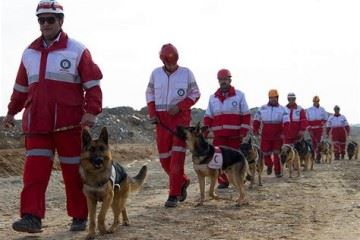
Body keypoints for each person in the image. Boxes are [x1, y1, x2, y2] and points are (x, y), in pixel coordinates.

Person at [2, 0, 103, 233]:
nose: (45, 24)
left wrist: (91, 111)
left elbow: (93, 85)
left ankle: (79, 216)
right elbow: (21, 87)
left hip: (69, 125)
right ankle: (31, 217)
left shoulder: (77, 50)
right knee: (33, 173)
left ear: (60, 21)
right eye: (41, 20)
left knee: (73, 174)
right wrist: (11, 111)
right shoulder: (29, 53)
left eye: (50, 20)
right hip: (37, 124)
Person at [145, 43, 200, 207]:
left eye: (173, 61)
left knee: (177, 159)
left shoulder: (187, 73)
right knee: (164, 160)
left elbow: (196, 93)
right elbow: (149, 93)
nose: (171, 65)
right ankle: (182, 181)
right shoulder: (155, 74)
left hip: (180, 121)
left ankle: (173, 195)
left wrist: (180, 106)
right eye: (168, 62)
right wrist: (152, 113)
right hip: (161, 121)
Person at [203, 68, 250, 189]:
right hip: (219, 136)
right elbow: (208, 116)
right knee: (217, 159)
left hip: (234, 135)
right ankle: (223, 182)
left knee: (234, 159)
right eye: (220, 80)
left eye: (225, 79)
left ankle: (239, 179)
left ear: (230, 80)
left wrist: (243, 131)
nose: (223, 82)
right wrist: (205, 130)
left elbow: (246, 115)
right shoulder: (212, 98)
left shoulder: (239, 95)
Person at [253, 89, 289, 177]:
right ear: (269, 98)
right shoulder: (262, 108)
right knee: (265, 153)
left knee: (277, 154)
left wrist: (285, 132)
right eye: (271, 98)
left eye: (275, 98)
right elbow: (257, 119)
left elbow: (287, 122)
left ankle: (278, 172)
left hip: (278, 134)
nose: (273, 99)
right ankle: (269, 165)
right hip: (265, 133)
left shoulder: (283, 109)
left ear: (278, 98)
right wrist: (255, 129)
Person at [306, 96, 328, 163]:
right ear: (313, 102)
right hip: (312, 129)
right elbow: (306, 120)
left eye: (317, 101)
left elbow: (325, 118)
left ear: (319, 101)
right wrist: (309, 128)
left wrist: (322, 123)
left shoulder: (322, 109)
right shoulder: (309, 110)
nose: (316, 102)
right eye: (315, 101)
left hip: (319, 129)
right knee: (313, 143)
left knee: (319, 143)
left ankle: (318, 158)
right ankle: (313, 157)